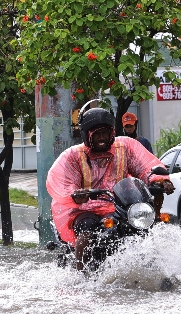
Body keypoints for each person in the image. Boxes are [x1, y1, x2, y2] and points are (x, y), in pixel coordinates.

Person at [46, 107, 174, 271]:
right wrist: (75, 194)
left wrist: (161, 180)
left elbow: (146, 166)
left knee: (144, 227)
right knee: (87, 232)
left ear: (112, 133)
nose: (102, 138)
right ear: (87, 135)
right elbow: (60, 180)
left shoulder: (125, 146)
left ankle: (160, 272)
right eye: (97, 134)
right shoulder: (73, 155)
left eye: (105, 133)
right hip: (84, 209)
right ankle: (79, 275)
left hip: (118, 206)